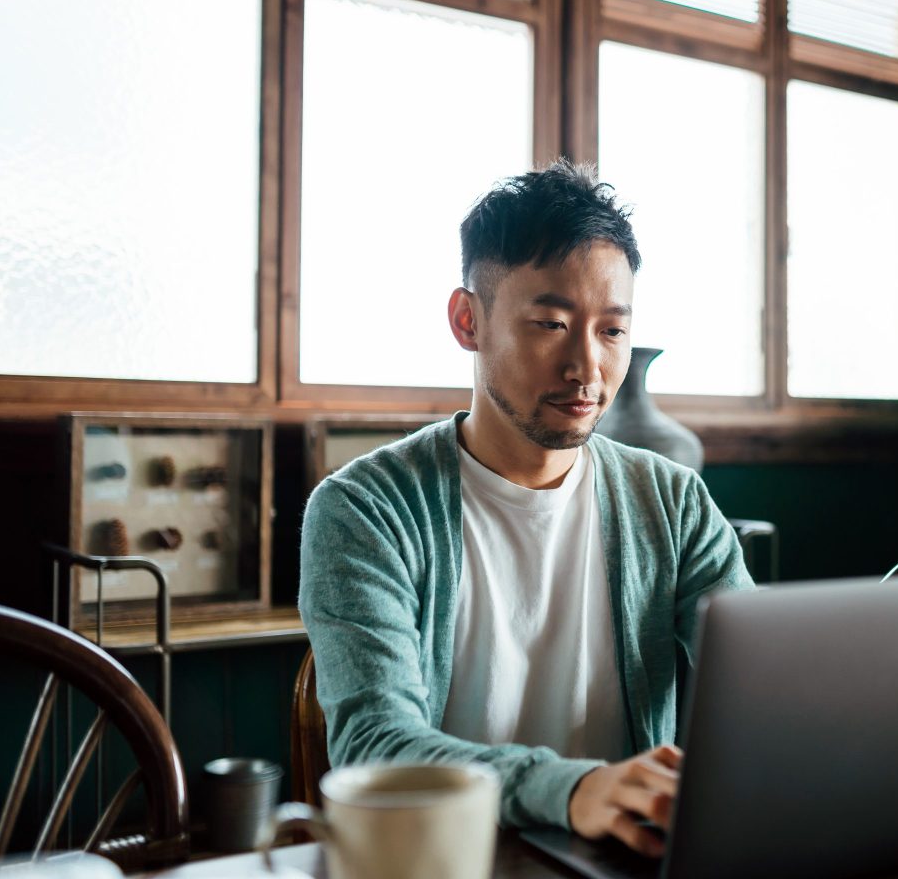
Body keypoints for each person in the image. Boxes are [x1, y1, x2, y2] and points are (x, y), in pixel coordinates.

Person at [299, 160, 753, 857]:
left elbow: (761, 685)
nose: (587, 368)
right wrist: (572, 791)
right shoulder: (364, 510)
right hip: (449, 861)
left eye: (611, 332)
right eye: (550, 323)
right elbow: (375, 744)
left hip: (622, 860)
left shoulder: (671, 500)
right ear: (467, 320)